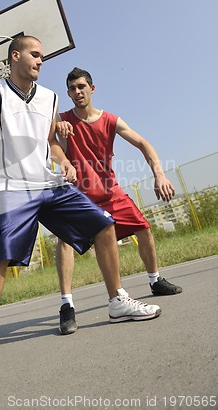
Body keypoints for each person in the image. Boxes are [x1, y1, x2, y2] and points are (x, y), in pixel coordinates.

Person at [0, 38, 161, 386]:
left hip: (49, 185)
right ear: (15, 56)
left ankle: (117, 301)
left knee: (104, 224)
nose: (41, 59)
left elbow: (50, 142)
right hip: (12, 190)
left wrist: (64, 160)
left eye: (42, 55)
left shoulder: (50, 98)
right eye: (35, 54)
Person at [56, 66, 182, 335]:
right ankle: (67, 305)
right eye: (71, 88)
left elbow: (143, 144)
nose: (77, 92)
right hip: (80, 195)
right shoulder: (62, 120)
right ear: (67, 93)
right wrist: (58, 135)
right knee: (64, 240)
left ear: (92, 88)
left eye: (81, 86)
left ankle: (155, 280)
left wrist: (159, 174)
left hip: (110, 192)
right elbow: (50, 144)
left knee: (143, 227)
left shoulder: (111, 120)